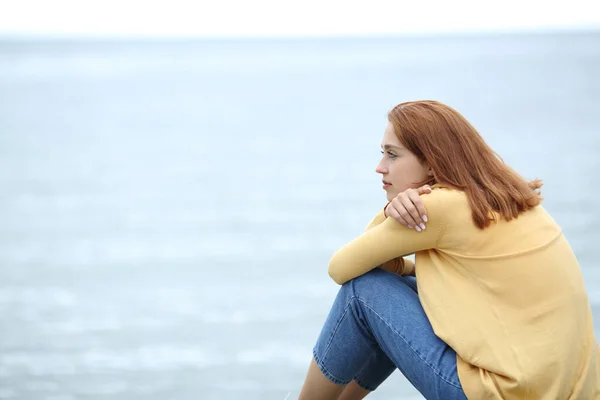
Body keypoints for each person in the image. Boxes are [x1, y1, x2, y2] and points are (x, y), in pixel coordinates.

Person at [297, 100, 600, 400]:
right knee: (408, 291)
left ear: (431, 162)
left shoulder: (435, 207)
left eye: (392, 155)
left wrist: (388, 211)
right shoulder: (509, 197)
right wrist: (404, 262)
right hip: (569, 391)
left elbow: (343, 268)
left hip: (498, 394)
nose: (380, 167)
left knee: (363, 292)